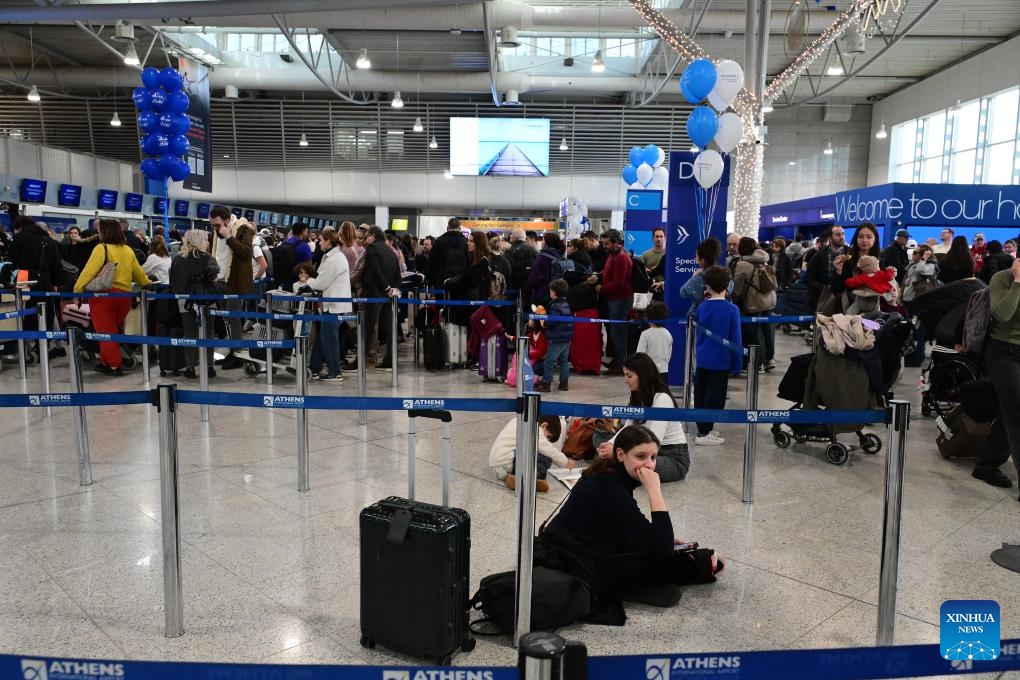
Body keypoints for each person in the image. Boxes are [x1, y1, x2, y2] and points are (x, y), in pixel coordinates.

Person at [542, 425, 723, 615]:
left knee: (657, 548)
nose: (649, 464)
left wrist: (661, 537)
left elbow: (629, 524)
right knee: (693, 561)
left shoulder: (608, 475)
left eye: (653, 457)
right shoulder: (610, 487)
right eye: (640, 456)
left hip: (571, 550)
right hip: (579, 564)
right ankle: (641, 587)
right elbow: (664, 551)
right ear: (621, 455)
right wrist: (654, 490)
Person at [73, 219, 150, 376]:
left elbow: (88, 272)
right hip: (125, 297)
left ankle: (114, 366)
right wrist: (148, 283)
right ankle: (105, 361)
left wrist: (77, 290)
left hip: (104, 297)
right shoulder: (128, 250)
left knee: (106, 333)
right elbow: (139, 273)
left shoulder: (101, 248)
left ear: (104, 232)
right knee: (112, 331)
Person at [595, 353, 690, 482]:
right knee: (599, 436)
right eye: (625, 375)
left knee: (629, 464)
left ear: (642, 376)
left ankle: (617, 460)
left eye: (629, 376)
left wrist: (619, 452)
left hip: (670, 457)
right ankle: (616, 458)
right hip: (643, 451)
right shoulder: (639, 397)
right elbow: (628, 427)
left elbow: (654, 442)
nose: (625, 380)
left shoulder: (662, 399)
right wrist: (610, 444)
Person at [970, 258, 1020, 493]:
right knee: (1016, 411)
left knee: (1009, 409)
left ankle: (987, 463)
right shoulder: (1002, 278)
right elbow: (1002, 314)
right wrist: (1018, 281)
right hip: (1004, 352)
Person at [692, 266, 741, 446]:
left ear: (707, 286)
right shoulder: (732, 310)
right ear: (727, 285)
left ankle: (702, 427)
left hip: (703, 358)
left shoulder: (702, 307)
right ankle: (705, 432)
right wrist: (737, 363)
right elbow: (735, 338)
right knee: (715, 396)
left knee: (701, 394)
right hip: (721, 361)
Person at [300, 229, 351, 382]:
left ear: (329, 241)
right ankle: (314, 368)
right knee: (324, 338)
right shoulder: (332, 257)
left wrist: (307, 281)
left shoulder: (334, 259)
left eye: (321, 240)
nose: (319, 242)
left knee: (330, 340)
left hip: (334, 305)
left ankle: (335, 373)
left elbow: (321, 283)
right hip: (333, 304)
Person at [168, 229, 220, 379]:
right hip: (206, 301)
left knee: (189, 334)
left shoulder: (178, 259)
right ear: (199, 241)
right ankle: (209, 367)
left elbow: (173, 282)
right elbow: (214, 276)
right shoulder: (207, 258)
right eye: (205, 239)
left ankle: (190, 367)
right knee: (208, 334)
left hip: (185, 302)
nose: (208, 242)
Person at [210, 207, 255, 370]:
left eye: (217, 225)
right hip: (220, 280)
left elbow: (246, 252)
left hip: (236, 282)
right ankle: (232, 351)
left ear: (227, 221)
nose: (214, 228)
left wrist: (228, 236)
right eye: (213, 225)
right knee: (226, 319)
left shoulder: (244, 229)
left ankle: (237, 354)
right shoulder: (216, 232)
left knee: (233, 318)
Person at [489, 414, 573, 493]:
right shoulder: (535, 428)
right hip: (508, 463)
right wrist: (565, 462)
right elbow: (548, 450)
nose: (546, 440)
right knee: (545, 458)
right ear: (544, 426)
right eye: (548, 436)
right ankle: (534, 479)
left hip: (497, 467)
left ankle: (511, 479)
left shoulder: (519, 420)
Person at [359, 225, 401, 370]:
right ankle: (390, 359)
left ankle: (361, 360)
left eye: (367, 236)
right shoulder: (390, 251)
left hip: (374, 293)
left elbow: (375, 271)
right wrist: (393, 289)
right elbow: (397, 274)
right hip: (388, 296)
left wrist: (386, 287)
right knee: (389, 328)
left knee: (368, 328)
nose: (366, 239)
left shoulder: (372, 249)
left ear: (372, 235)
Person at [732, 237, 776, 372]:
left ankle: (757, 363)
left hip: (754, 302)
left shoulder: (742, 264)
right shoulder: (765, 259)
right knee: (767, 329)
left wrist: (733, 299)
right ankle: (769, 359)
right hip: (769, 300)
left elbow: (738, 286)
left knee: (753, 332)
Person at [598, 229, 633, 375]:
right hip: (615, 298)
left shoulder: (621, 258)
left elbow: (619, 282)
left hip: (620, 299)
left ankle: (620, 365)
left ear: (616, 243)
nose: (604, 246)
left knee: (618, 334)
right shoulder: (613, 255)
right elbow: (609, 272)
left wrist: (602, 288)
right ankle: (617, 362)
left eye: (607, 243)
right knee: (615, 333)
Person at [828, 222, 881, 311]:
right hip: (848, 308)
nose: (864, 240)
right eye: (860, 237)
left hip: (872, 308)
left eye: (869, 237)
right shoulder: (847, 259)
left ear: (875, 239)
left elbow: (885, 288)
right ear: (856, 239)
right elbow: (836, 289)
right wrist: (838, 271)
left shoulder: (879, 261)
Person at [536, 279, 573, 392]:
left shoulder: (555, 306)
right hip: (566, 338)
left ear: (554, 292)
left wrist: (544, 320)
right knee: (564, 362)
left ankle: (546, 383)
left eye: (550, 291)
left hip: (557, 338)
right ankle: (564, 383)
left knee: (549, 362)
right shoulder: (566, 304)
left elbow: (553, 321)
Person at [805, 225, 846, 311]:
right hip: (824, 299)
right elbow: (809, 279)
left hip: (845, 300)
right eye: (838, 235)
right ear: (830, 238)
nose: (842, 237)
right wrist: (825, 288)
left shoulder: (849, 253)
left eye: (843, 234)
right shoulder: (819, 256)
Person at [680, 237, 724, 314]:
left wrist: (693, 277)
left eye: (696, 256)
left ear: (702, 260)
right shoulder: (725, 275)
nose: (695, 258)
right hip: (721, 314)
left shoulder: (698, 277)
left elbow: (683, 293)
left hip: (700, 315)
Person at [637, 301, 672, 383]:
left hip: (648, 371)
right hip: (664, 371)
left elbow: (640, 354)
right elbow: (669, 353)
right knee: (661, 394)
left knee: (648, 394)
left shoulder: (645, 334)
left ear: (648, 317)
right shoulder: (668, 333)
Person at [506, 228, 537, 297]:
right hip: (530, 286)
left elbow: (508, 270)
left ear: (516, 237)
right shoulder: (533, 250)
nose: (510, 236)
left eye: (511, 234)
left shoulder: (510, 251)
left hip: (515, 286)